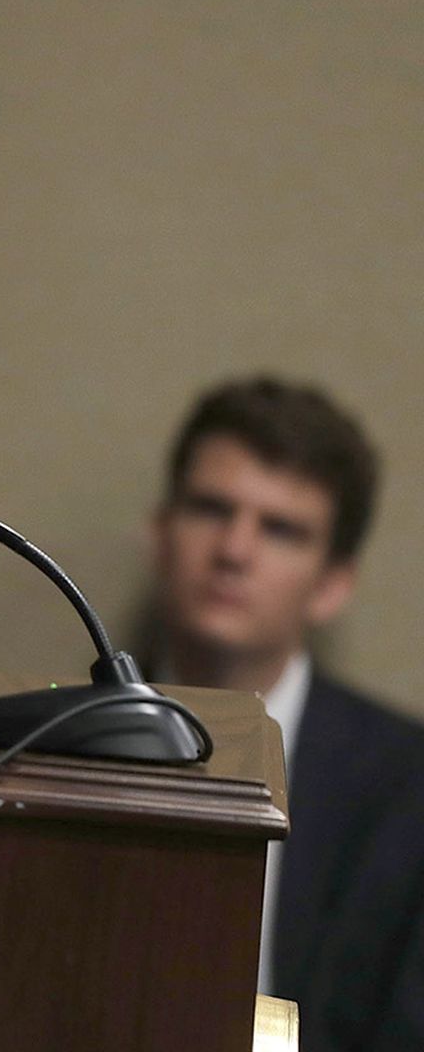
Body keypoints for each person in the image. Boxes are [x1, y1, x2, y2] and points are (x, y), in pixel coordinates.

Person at [149, 376, 424, 1050]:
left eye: (280, 529)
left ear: (331, 585)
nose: (234, 551)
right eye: (212, 509)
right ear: (162, 535)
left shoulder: (409, 786)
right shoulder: (42, 740)